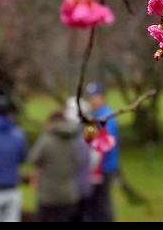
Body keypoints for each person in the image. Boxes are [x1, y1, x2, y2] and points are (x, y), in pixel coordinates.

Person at [27, 107, 83, 222]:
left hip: (48, 194)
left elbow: (33, 159)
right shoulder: (73, 140)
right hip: (68, 194)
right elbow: (78, 162)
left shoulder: (46, 139)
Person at [84, 82, 120, 222]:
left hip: (104, 167)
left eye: (94, 97)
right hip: (93, 168)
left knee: (102, 204)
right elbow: (88, 139)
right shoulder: (93, 117)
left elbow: (106, 143)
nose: (91, 100)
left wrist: (95, 166)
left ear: (102, 97)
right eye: (89, 97)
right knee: (94, 205)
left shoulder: (106, 116)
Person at [63, 97, 98, 222]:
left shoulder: (90, 127)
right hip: (78, 183)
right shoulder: (89, 127)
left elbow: (94, 154)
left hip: (79, 183)